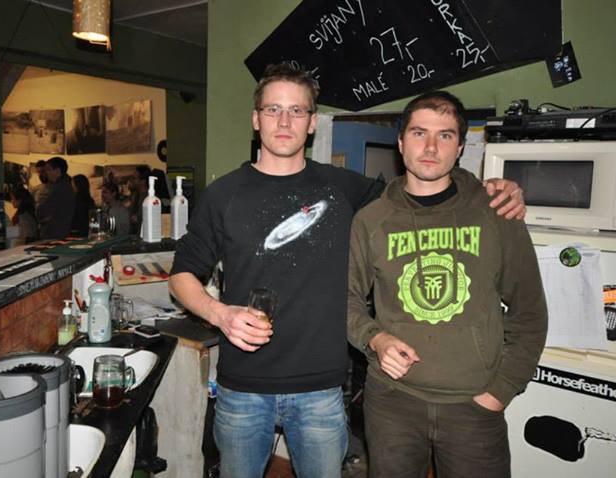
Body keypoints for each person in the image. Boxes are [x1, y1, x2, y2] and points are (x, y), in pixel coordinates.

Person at [168, 63, 526, 478]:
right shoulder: (224, 194)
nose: (284, 121)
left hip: (321, 391)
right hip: (243, 388)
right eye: (273, 110)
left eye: (297, 111)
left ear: (312, 123)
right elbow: (181, 275)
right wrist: (220, 314)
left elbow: (423, 183)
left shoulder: (345, 188)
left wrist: (486, 186)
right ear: (256, 119)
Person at [347, 91, 548, 478]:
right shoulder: (370, 220)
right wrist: (376, 338)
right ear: (401, 142)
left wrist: (499, 392)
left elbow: (530, 312)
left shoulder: (497, 211)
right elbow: (347, 300)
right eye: (419, 133)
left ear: (460, 147)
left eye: (445, 135)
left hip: (474, 407)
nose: (430, 147)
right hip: (391, 404)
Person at [36, 156, 75, 239]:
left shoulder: (60, 188)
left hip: (57, 234)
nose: (46, 173)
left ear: (57, 171)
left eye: (48, 170)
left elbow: (42, 212)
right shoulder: (69, 183)